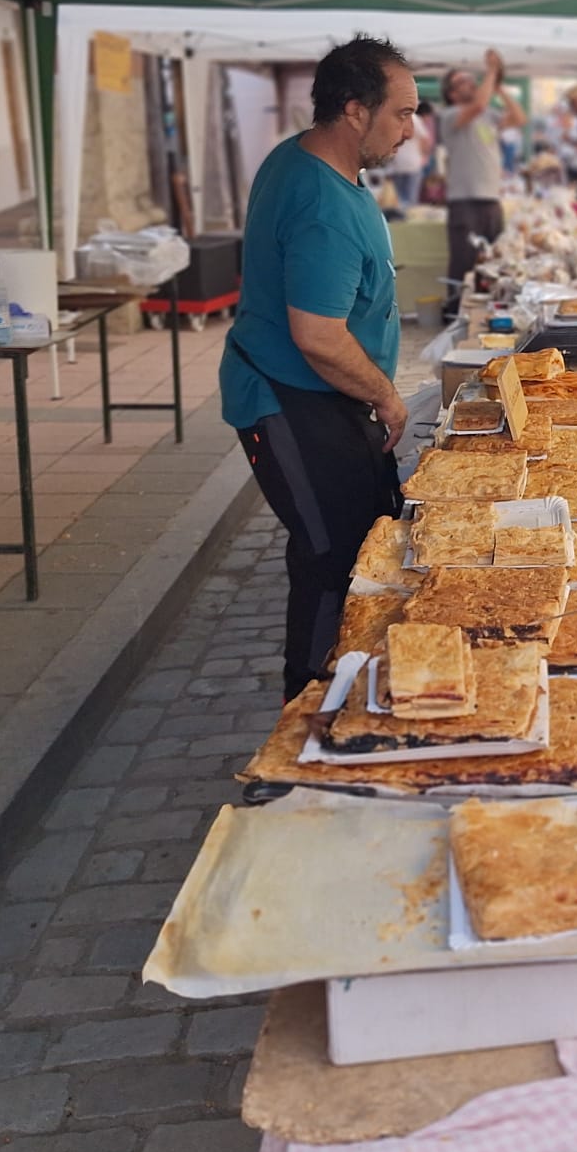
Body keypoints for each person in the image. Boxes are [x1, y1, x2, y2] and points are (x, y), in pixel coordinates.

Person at [219, 36, 417, 702]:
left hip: (324, 395)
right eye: (403, 114)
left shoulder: (311, 164)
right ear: (356, 110)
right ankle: (307, 712)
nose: (411, 132)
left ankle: (353, 684)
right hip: (288, 394)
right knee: (332, 556)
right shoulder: (321, 202)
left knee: (366, 532)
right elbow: (319, 337)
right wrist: (388, 398)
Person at [437, 49, 526, 320]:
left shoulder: (487, 115)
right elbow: (476, 105)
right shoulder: (450, 115)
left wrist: (498, 87)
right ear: (451, 93)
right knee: (464, 261)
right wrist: (490, 72)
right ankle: (454, 312)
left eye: (470, 79)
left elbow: (520, 118)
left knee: (494, 260)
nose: (470, 83)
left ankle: (487, 312)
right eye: (462, 82)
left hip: (490, 198)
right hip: (465, 199)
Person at [386, 98, 435, 208]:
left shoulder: (393, 117)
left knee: (399, 199)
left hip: (397, 164)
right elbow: (425, 140)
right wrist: (424, 157)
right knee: (411, 199)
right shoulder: (415, 119)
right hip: (413, 164)